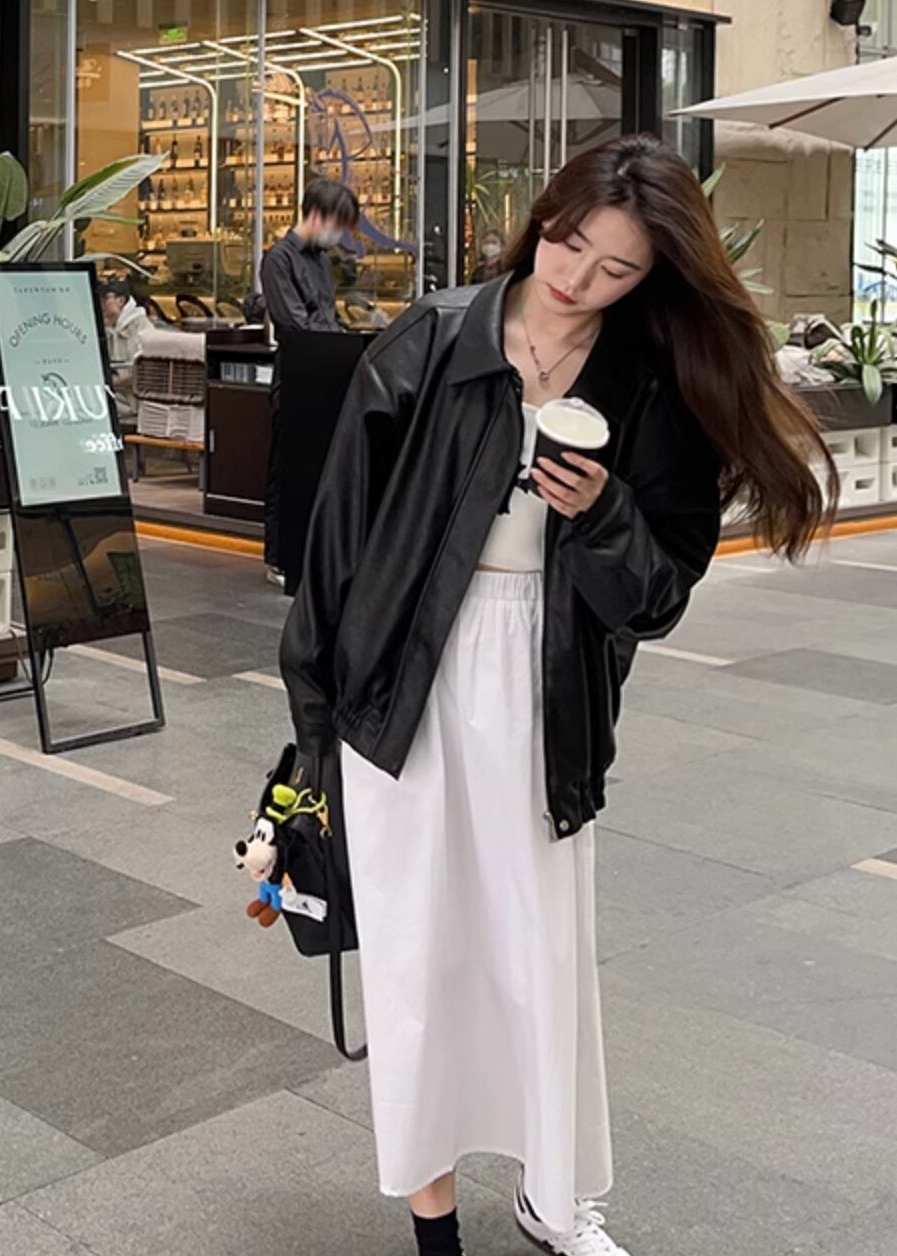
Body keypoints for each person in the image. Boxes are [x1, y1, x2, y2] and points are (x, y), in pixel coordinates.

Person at [279, 135, 834, 1256]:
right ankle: (434, 1225)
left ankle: (552, 1191)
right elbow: (333, 547)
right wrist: (314, 733)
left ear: (652, 277)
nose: (577, 277)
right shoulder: (432, 340)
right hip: (401, 686)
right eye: (567, 243)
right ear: (542, 220)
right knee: (418, 962)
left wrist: (602, 512)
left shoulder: (647, 387)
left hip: (545, 688)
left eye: (615, 267)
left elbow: (656, 596)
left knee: (539, 958)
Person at [260, 178, 360, 587]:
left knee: (319, 468)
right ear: (317, 215)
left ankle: (312, 552)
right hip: (297, 377)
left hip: (325, 374)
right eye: (339, 224)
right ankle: (278, 557)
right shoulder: (277, 260)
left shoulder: (320, 261)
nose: (340, 235)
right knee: (287, 468)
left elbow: (327, 317)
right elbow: (294, 324)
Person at [100, 275, 150, 418]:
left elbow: (144, 373)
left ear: (121, 301)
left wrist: (112, 382)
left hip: (132, 403)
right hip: (114, 398)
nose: (101, 303)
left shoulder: (141, 328)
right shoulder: (109, 327)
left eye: (105, 298)